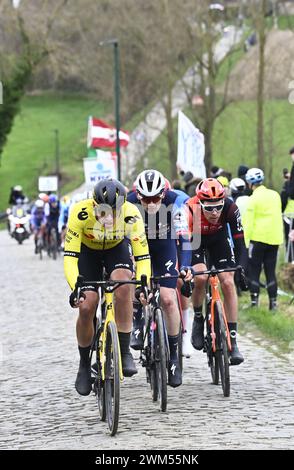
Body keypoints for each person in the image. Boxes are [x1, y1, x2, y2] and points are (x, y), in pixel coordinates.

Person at [64, 179, 151, 396]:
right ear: (94, 206)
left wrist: (143, 283)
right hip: (87, 253)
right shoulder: (79, 212)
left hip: (116, 249)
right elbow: (70, 258)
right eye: (104, 212)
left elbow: (142, 256)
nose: (109, 217)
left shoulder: (132, 213)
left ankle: (123, 349)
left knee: (124, 283)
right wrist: (76, 287)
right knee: (87, 305)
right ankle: (84, 364)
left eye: (115, 211)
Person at [127, 169, 192, 387]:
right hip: (139, 246)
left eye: (156, 198)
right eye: (146, 199)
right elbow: (122, 241)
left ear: (163, 194)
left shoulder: (175, 203)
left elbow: (184, 239)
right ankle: (136, 321)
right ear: (138, 196)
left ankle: (174, 355)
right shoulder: (129, 203)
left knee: (167, 298)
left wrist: (185, 266)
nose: (152, 203)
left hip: (164, 246)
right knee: (134, 282)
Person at [187, 178, 245, 365]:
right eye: (209, 207)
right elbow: (182, 243)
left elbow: (239, 242)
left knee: (227, 282)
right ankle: (197, 316)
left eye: (217, 207)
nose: (214, 212)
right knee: (201, 278)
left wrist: (241, 268)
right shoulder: (190, 208)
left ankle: (233, 340)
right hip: (195, 241)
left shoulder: (230, 207)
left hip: (218, 241)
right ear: (200, 202)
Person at [242, 168, 284, 311]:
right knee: (270, 271)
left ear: (249, 183)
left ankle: (254, 303)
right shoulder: (275, 195)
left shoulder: (253, 198)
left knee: (255, 270)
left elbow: (248, 222)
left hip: (257, 239)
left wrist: (245, 243)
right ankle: (273, 304)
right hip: (274, 238)